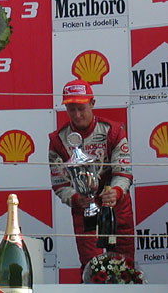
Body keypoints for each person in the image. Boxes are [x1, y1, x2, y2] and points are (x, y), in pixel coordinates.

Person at [48, 79, 134, 275]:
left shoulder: (113, 130)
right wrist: (75, 198)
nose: (77, 115)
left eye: (81, 108)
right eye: (71, 109)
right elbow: (59, 182)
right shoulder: (57, 140)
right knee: (91, 267)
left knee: (125, 265)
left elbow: (123, 171)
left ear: (92, 103)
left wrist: (116, 191)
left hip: (116, 203)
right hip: (84, 206)